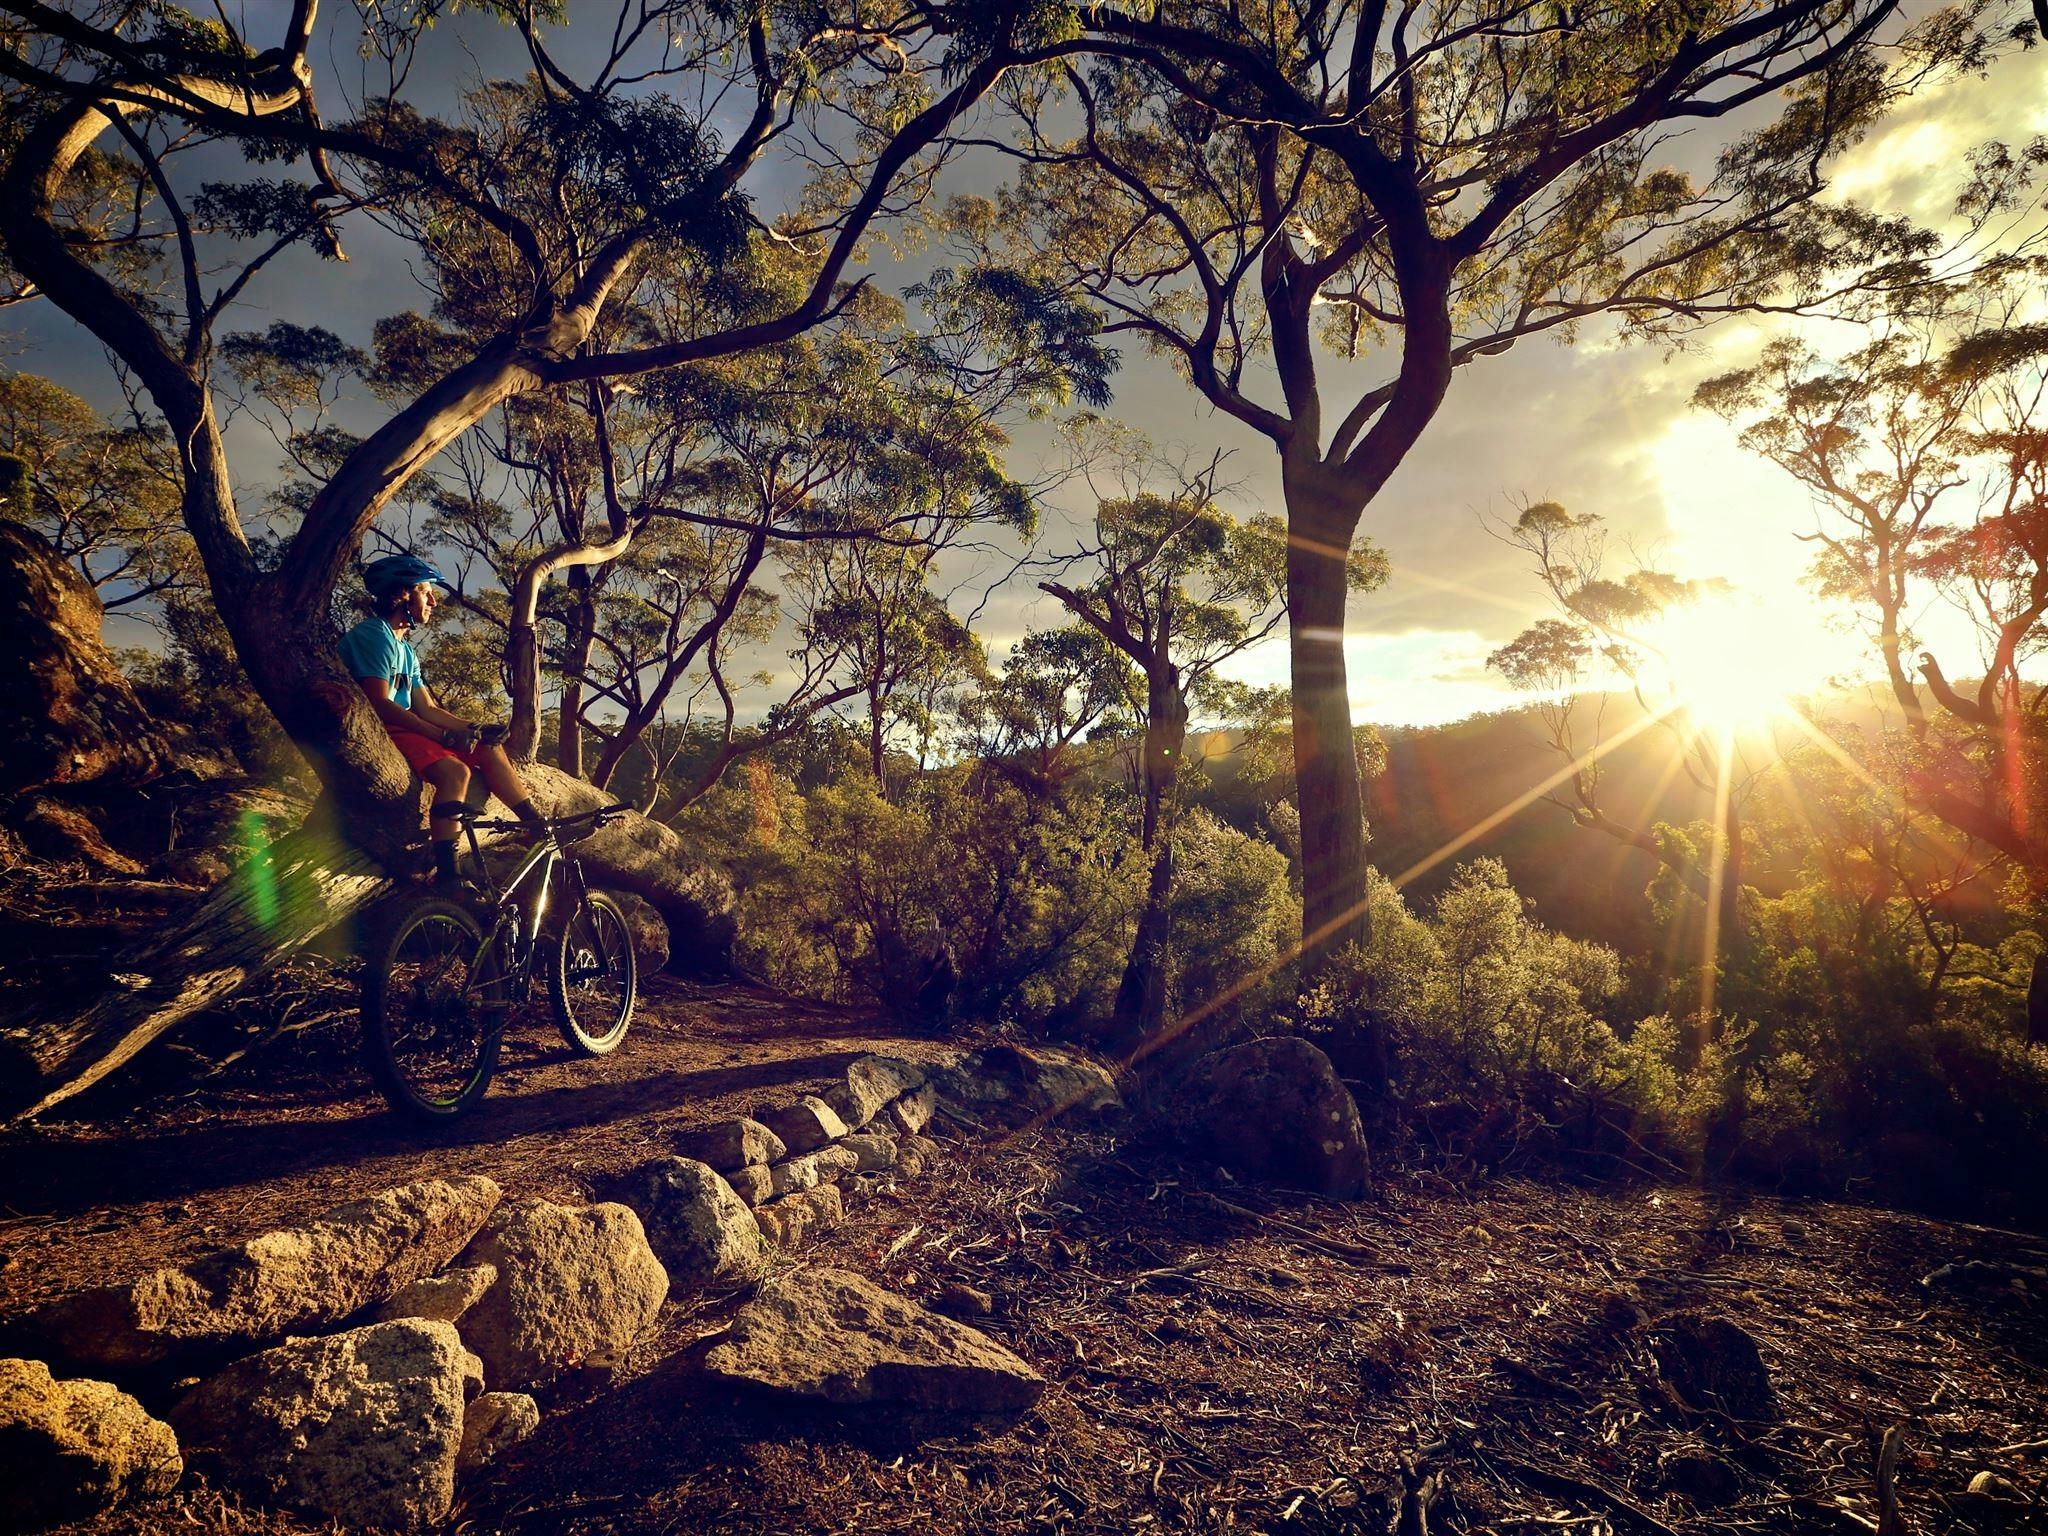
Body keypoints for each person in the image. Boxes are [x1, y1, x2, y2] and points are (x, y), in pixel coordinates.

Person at [340, 553, 544, 884]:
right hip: (386, 728)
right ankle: (448, 873)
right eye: (426, 592)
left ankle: (535, 825)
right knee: (455, 771)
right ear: (402, 594)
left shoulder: (405, 649)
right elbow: (379, 703)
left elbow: (428, 708)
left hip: (407, 724)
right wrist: (443, 737)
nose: (434, 601)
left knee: (488, 748)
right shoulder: (374, 634)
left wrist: (473, 728)